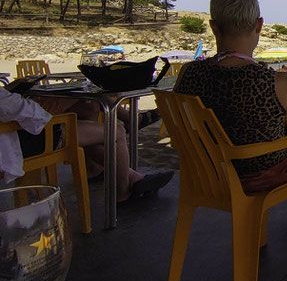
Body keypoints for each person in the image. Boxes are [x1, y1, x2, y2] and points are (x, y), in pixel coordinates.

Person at [174, 0, 287, 228]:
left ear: (214, 27)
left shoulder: (188, 73)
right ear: (259, 25)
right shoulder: (278, 82)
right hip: (258, 177)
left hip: (205, 174)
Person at [1, 79, 173, 202]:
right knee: (116, 132)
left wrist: (11, 91)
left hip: (17, 132)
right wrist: (44, 106)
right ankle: (123, 191)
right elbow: (29, 113)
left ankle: (94, 168)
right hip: (22, 140)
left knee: (88, 105)